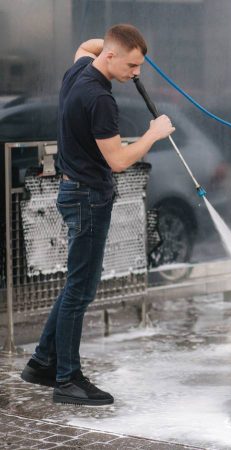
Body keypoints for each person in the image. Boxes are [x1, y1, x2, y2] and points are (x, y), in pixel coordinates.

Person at [20, 24, 175, 406]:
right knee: (80, 291)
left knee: (76, 284)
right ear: (109, 57)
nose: (136, 73)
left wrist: (117, 44)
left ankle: (42, 362)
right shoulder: (101, 100)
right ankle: (67, 380)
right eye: (133, 65)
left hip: (74, 191)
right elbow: (119, 160)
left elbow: (84, 45)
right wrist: (154, 133)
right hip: (88, 199)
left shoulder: (78, 71)